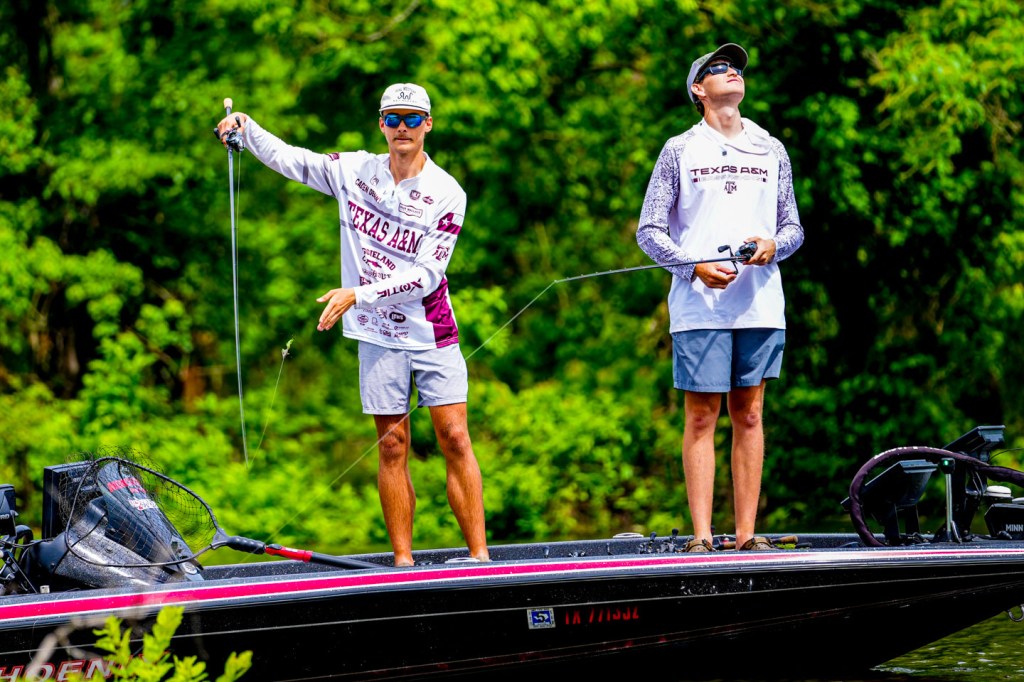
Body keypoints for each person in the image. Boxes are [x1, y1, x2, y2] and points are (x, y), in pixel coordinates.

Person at [215, 83, 489, 567]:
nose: (402, 128)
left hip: (431, 330)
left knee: (454, 436)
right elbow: (293, 160)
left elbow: (428, 275)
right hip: (376, 333)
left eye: (412, 118)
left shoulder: (448, 193)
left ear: (428, 124)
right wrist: (247, 128)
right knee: (392, 445)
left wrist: (357, 294)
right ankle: (402, 563)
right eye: (392, 118)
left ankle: (479, 557)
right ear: (381, 124)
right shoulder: (355, 170)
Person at [636, 43, 804, 552]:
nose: (732, 72)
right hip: (699, 306)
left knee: (749, 414)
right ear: (698, 89)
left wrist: (773, 246)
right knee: (702, 415)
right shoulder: (680, 149)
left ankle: (748, 535)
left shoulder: (771, 147)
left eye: (736, 68)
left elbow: (793, 227)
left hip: (760, 303)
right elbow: (649, 230)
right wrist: (692, 267)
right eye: (719, 68)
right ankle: (703, 537)